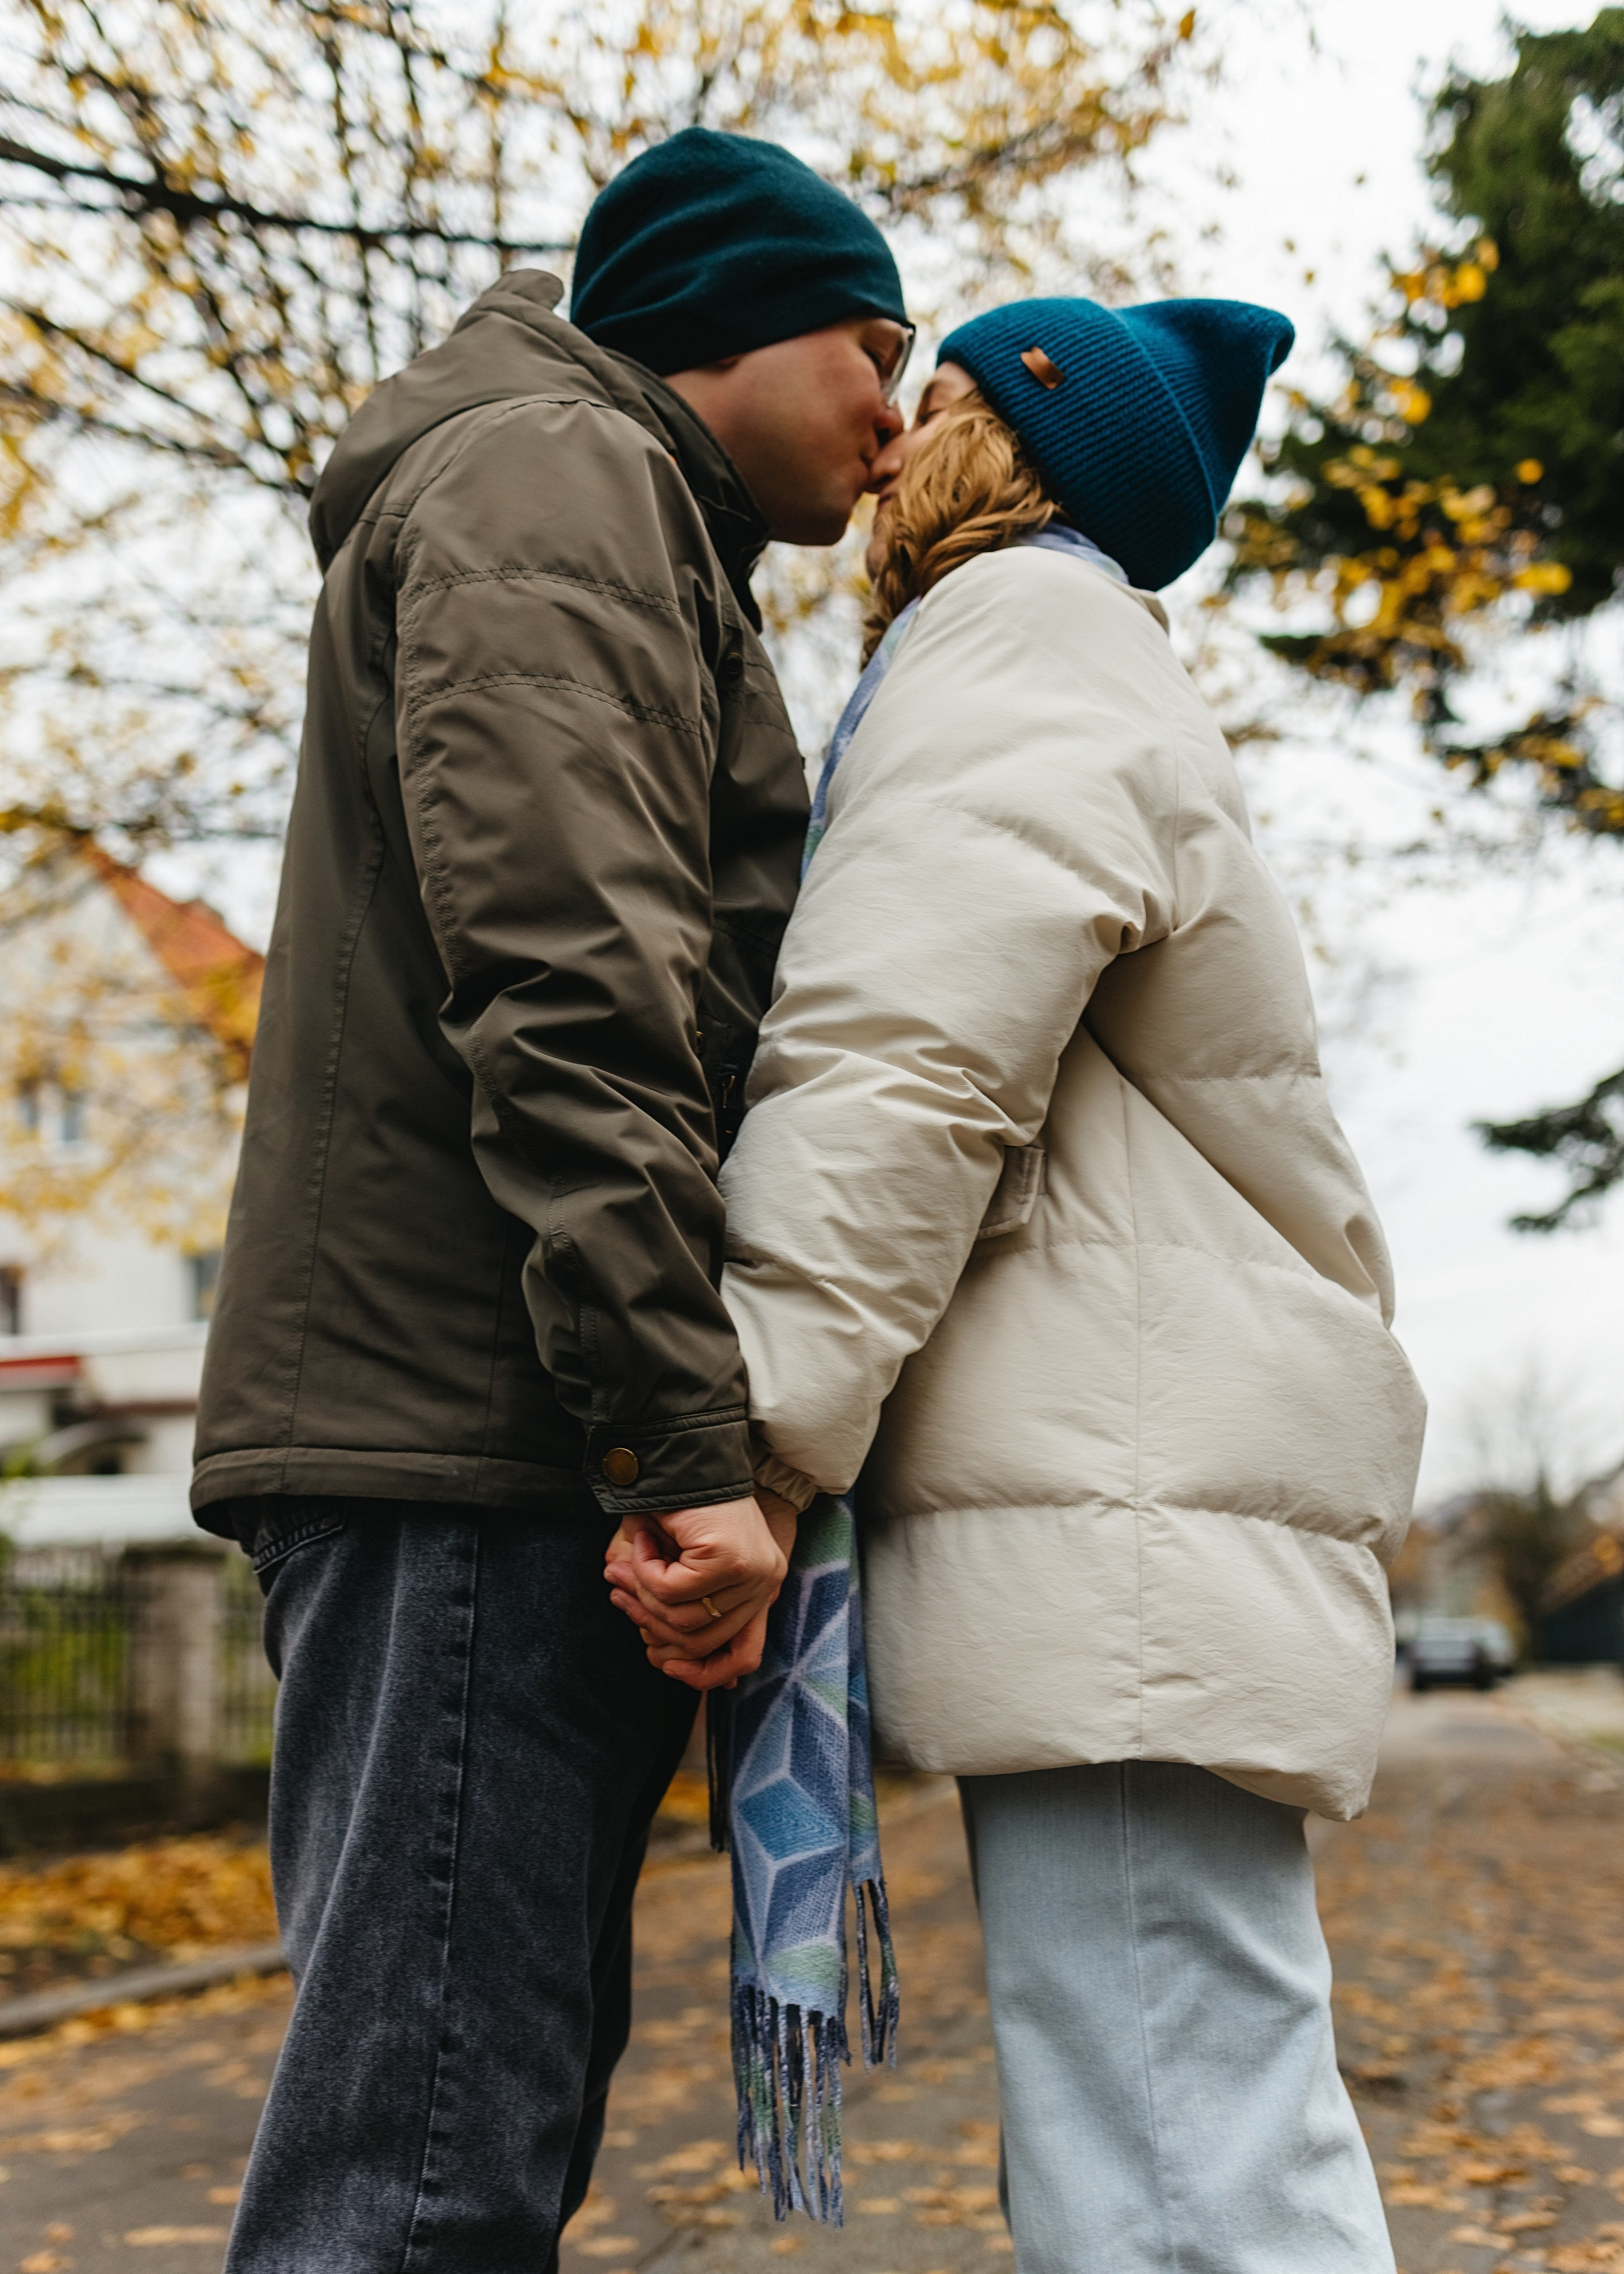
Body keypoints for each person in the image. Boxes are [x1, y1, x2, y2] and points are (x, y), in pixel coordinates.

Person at [189, 128, 912, 2273]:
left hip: (490, 1432)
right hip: (475, 1444)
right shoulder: (560, 489)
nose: (899, 407)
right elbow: (581, 994)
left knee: (461, 2144)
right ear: (726, 322)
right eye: (875, 346)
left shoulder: (620, 519)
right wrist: (680, 1449)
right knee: (422, 2178)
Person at [700, 299, 1429, 2271]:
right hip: (1147, 1483)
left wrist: (756, 1432)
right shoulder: (1078, 649)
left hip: (1128, 1501)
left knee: (1177, 2165)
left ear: (1007, 448)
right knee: (1180, 2136)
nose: (884, 437)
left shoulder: (1013, 629)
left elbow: (903, 1059)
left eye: (927, 396)